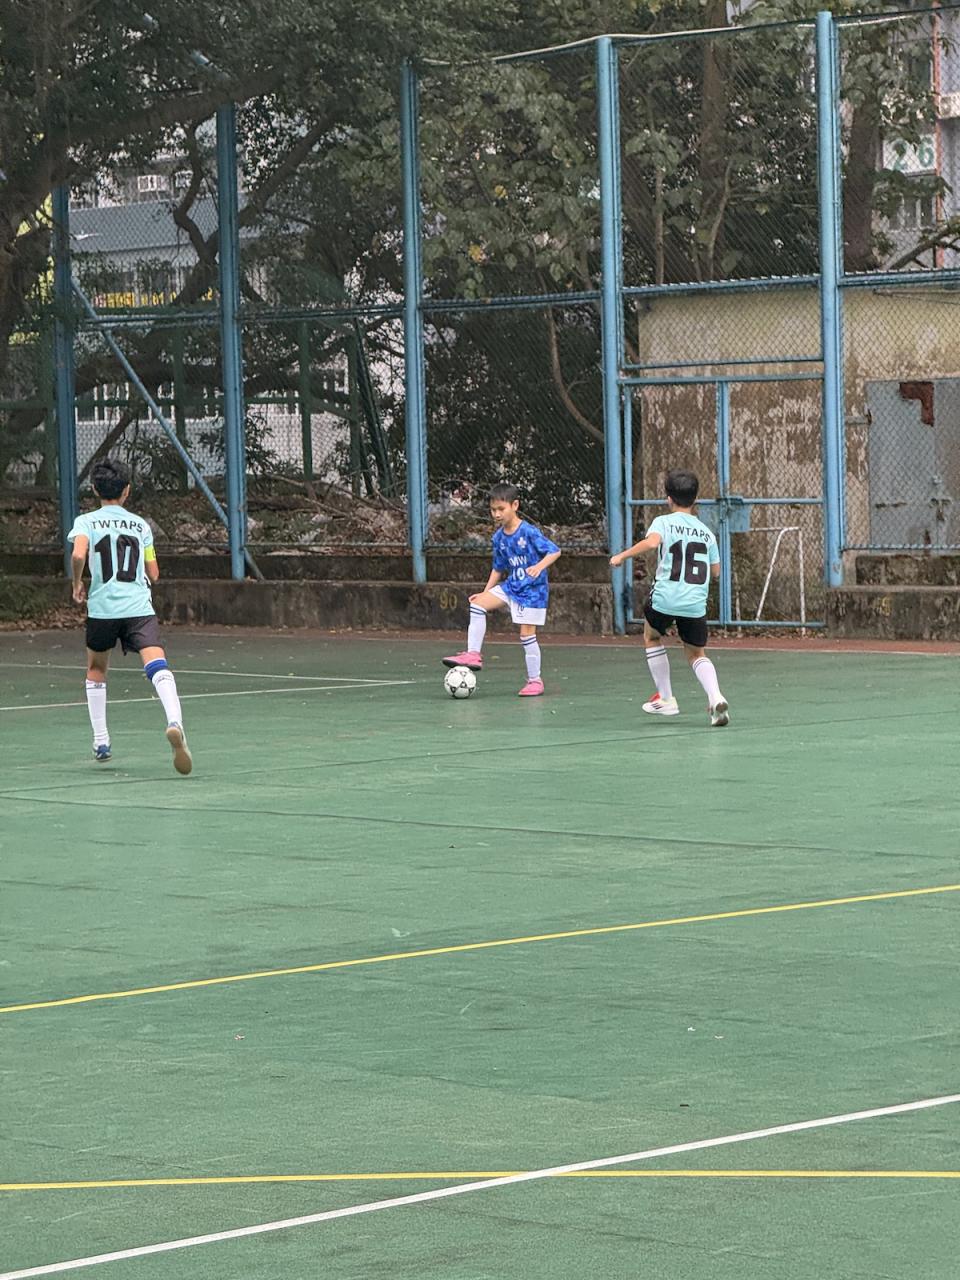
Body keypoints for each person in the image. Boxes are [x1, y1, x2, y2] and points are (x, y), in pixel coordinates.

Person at [68, 458, 193, 773]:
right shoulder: (140, 526)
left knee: (96, 669)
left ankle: (101, 741)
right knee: (157, 665)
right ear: (127, 490)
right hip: (138, 609)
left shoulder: (86, 522)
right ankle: (175, 722)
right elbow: (154, 573)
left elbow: (79, 553)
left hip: (102, 610)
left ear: (94, 489)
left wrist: (77, 583)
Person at [610, 469, 729, 727]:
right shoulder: (707, 533)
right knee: (696, 653)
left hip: (665, 598)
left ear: (668, 499)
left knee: (651, 636)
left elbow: (652, 543)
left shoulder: (663, 522)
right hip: (695, 603)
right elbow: (716, 572)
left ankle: (666, 698)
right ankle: (716, 697)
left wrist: (621, 556)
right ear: (695, 500)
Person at [443, 483, 561, 696]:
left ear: (515, 505)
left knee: (526, 635)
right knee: (477, 604)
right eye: (493, 510)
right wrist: (485, 591)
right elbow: (498, 568)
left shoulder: (528, 531)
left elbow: (554, 551)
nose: (496, 514)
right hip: (511, 586)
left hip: (532, 592)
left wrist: (538, 567)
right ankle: (473, 654)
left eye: (501, 509)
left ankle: (535, 681)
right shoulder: (498, 538)